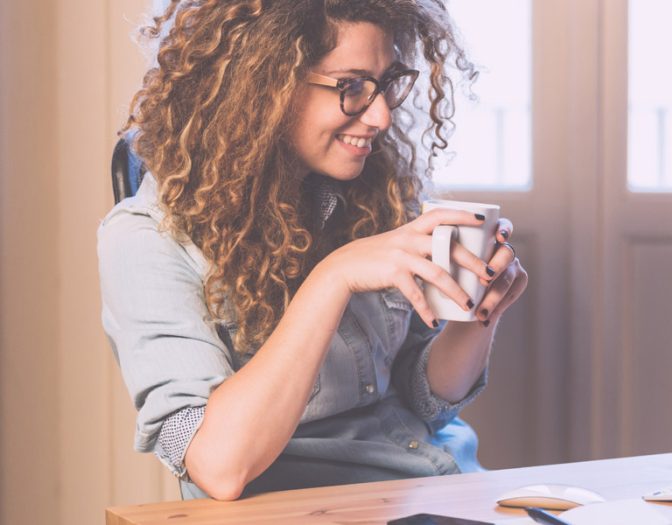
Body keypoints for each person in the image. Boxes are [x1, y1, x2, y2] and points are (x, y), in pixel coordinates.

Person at [97, 0, 527, 501]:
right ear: (262, 87)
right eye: (351, 87)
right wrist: (334, 277)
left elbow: (424, 401)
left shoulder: (373, 195)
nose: (382, 115)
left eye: (386, 83)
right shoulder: (145, 239)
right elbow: (216, 465)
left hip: (441, 486)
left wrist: (475, 314)